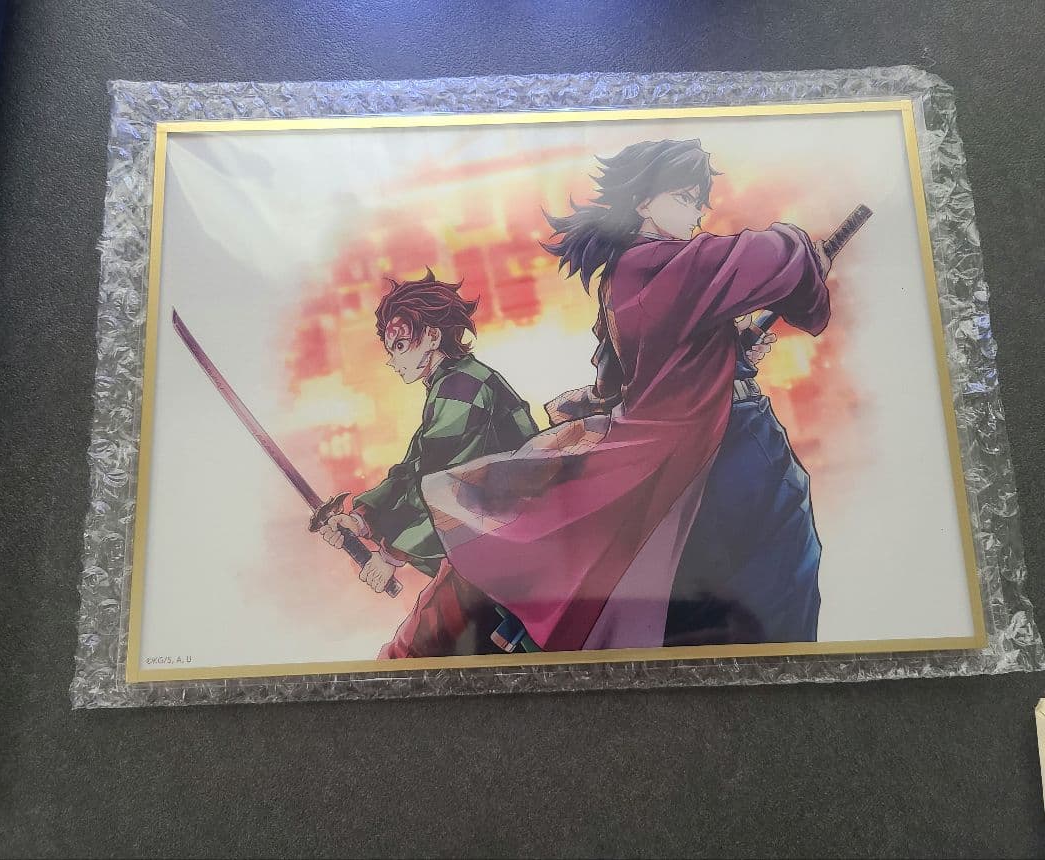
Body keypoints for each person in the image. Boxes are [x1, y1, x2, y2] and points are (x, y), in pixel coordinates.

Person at [419, 139, 831, 653]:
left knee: (727, 591)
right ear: (642, 201)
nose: (697, 215)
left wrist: (732, 346)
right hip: (732, 448)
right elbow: (775, 255)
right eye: (684, 198)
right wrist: (804, 251)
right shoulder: (664, 264)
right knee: (780, 579)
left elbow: (647, 368)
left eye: (699, 202)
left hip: (708, 445)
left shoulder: (624, 275)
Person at [317, 270, 540, 657]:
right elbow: (412, 472)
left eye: (400, 345)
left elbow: (446, 487)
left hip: (508, 553)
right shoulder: (451, 384)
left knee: (408, 657)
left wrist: (390, 556)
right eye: (391, 349)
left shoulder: (463, 387)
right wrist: (361, 520)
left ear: (433, 336)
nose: (392, 360)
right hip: (488, 549)